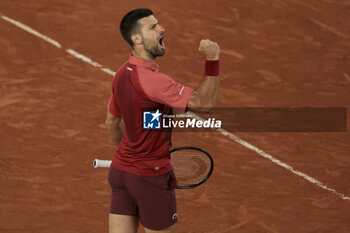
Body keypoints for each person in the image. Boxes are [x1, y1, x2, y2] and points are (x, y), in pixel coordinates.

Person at [105, 8, 220, 233]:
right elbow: (205, 103)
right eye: (153, 27)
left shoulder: (120, 74)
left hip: (120, 173)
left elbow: (111, 122)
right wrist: (212, 59)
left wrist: (131, 160)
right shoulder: (154, 82)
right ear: (136, 39)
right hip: (151, 178)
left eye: (158, 24)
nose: (161, 29)